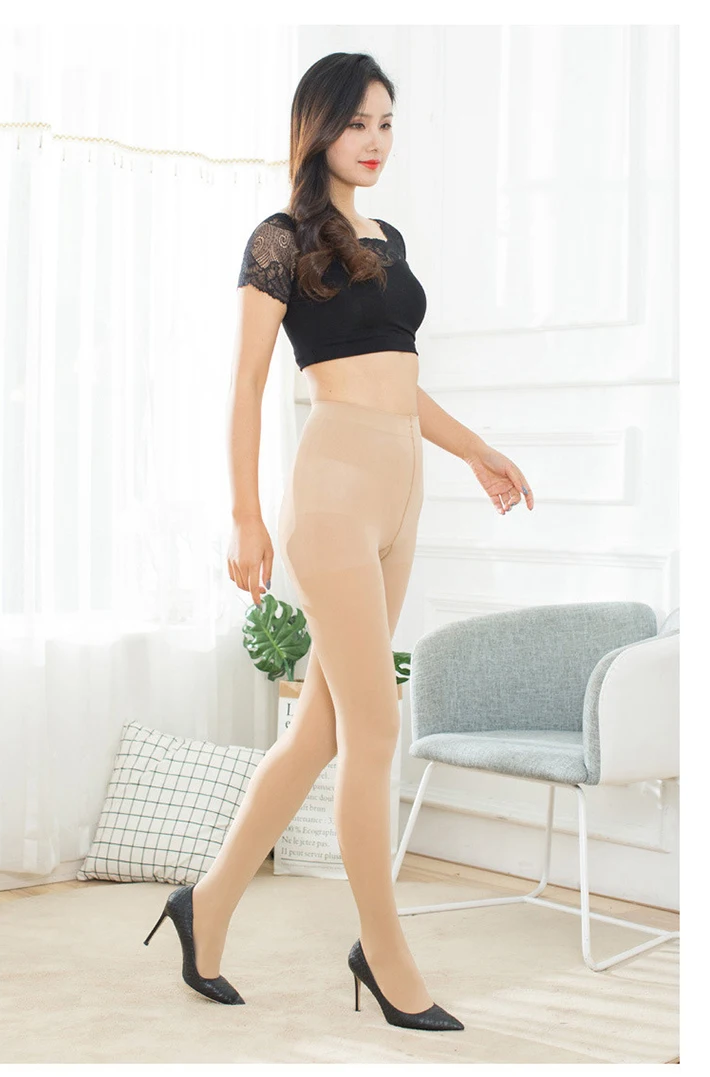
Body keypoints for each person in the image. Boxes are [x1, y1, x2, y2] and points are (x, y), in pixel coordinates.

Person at [144, 51, 534, 1032]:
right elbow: (246, 383)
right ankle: (384, 954)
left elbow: (402, 379)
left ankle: (205, 906)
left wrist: (478, 450)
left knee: (321, 729)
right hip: (333, 496)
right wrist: (245, 513)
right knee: (376, 728)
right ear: (318, 127)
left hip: (403, 493)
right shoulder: (280, 240)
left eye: (386, 122)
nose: (374, 140)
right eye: (358, 122)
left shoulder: (388, 241)